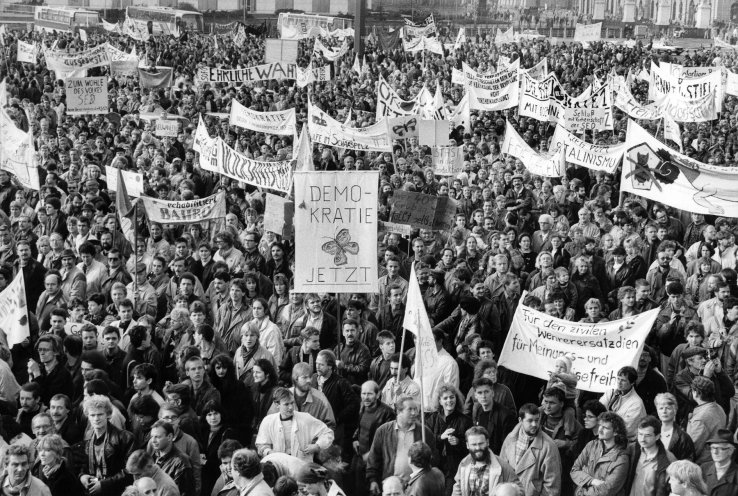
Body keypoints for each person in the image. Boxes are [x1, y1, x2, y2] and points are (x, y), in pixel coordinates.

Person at [366, 396, 437, 495]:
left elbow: (434, 459)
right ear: (399, 412)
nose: (414, 413)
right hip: (392, 486)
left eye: (415, 409)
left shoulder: (424, 432)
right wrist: (372, 480)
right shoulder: (383, 431)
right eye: (410, 409)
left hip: (416, 485)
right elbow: (374, 457)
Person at [255, 387, 334, 462]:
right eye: (286, 404)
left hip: (302, 467)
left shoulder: (305, 418)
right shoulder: (268, 421)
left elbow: (327, 432)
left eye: (292, 403)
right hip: (279, 466)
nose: (291, 407)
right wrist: (269, 452)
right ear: (277, 405)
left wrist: (317, 446)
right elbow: (261, 445)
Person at [499, 403, 561, 496]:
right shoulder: (510, 438)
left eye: (537, 420)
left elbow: (552, 486)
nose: (534, 424)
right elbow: (501, 468)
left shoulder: (549, 446)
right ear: (520, 420)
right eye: (530, 420)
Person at [79, 394, 135, 495]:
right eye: (92, 415)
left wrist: (104, 484)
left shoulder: (126, 438)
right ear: (88, 416)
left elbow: (131, 470)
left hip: (117, 492)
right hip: (93, 490)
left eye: (100, 414)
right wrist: (82, 476)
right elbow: (84, 463)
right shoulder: (88, 436)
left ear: (108, 414)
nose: (96, 418)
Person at [570, 411, 629, 496]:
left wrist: (583, 490)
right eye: (600, 425)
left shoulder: (622, 458)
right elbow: (574, 470)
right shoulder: (592, 445)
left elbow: (606, 490)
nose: (600, 430)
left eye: (605, 428)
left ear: (616, 432)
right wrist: (592, 481)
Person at [451, 426, 521, 496]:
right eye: (474, 444)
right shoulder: (464, 464)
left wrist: (508, 491)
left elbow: (520, 489)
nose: (478, 448)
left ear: (487, 442)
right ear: (467, 445)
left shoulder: (502, 466)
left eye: (481, 443)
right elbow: (458, 487)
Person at [624, 416, 676, 496]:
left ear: (657, 436)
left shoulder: (669, 459)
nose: (642, 439)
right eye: (640, 434)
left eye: (647, 435)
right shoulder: (631, 450)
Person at [599, 366, 647, 441]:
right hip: (607, 435)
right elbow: (598, 410)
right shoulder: (611, 393)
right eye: (618, 378)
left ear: (632, 383)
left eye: (623, 380)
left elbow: (625, 429)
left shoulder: (636, 403)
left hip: (625, 441)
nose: (619, 382)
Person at [687, 376, 728, 464]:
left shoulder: (700, 419)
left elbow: (692, 449)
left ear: (697, 393)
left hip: (704, 464)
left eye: (693, 390)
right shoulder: (718, 407)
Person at [147, 420, 194, 496]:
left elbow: (184, 492)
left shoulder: (182, 461)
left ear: (169, 437)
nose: (153, 440)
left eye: (157, 437)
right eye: (152, 436)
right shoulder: (153, 456)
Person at [700, 429, 738, 496]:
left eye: (719, 448)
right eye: (712, 448)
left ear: (730, 450)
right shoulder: (703, 468)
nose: (715, 452)